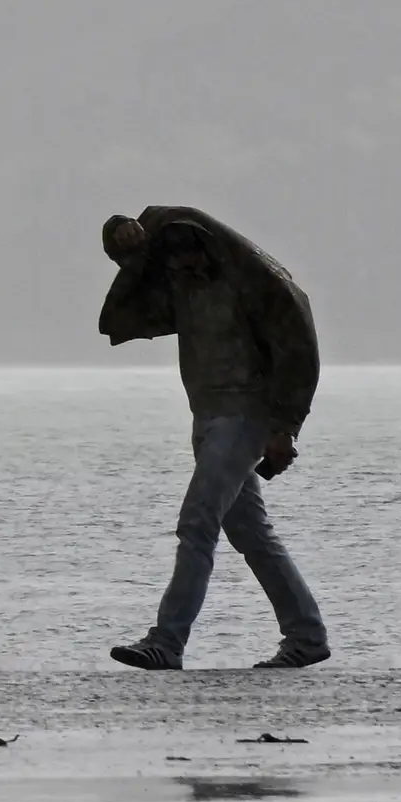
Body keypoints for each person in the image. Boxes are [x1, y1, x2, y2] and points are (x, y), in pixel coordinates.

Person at [98, 206, 331, 670]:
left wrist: (286, 427)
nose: (185, 265)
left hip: (244, 417)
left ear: (210, 248)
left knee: (198, 521)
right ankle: (306, 634)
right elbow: (119, 317)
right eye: (174, 257)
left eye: (192, 253)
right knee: (251, 532)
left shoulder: (250, 286)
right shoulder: (181, 292)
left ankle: (167, 641)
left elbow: (298, 346)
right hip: (206, 419)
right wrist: (119, 236)